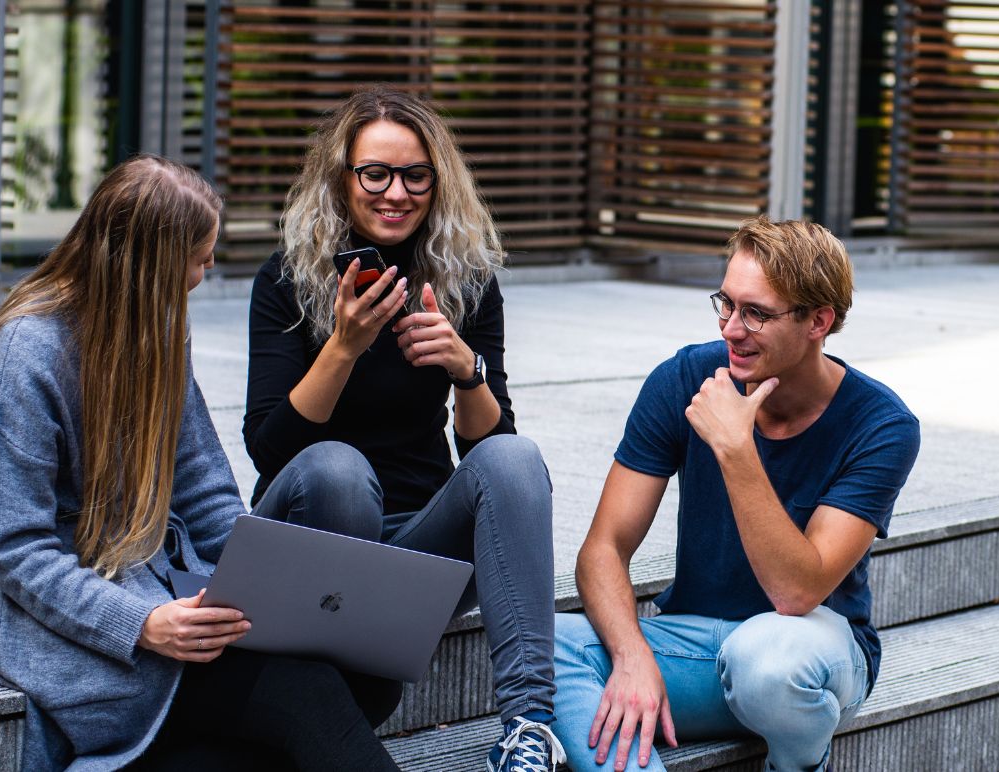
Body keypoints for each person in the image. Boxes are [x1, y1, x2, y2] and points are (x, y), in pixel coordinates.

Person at [0, 155, 400, 771]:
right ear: (149, 264)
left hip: (168, 591)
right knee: (304, 696)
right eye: (199, 256)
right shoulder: (22, 362)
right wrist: (143, 623)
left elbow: (202, 486)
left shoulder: (156, 327)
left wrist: (252, 585)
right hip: (77, 626)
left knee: (371, 682)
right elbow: (18, 552)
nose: (207, 271)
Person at [243, 85, 562, 772]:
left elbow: (488, 450)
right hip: (312, 534)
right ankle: (335, 695)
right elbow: (267, 449)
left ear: (437, 181)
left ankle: (529, 730)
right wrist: (344, 347)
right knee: (337, 469)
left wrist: (464, 370)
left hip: (416, 544)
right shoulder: (288, 282)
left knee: (516, 459)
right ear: (343, 180)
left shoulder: (464, 282)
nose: (396, 193)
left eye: (416, 175)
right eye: (375, 174)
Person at [552, 216, 921, 772]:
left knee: (767, 660)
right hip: (696, 642)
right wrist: (631, 657)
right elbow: (603, 548)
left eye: (757, 313)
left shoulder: (881, 424)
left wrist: (736, 449)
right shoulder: (685, 378)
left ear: (818, 321)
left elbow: (796, 593)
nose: (731, 329)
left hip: (810, 651)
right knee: (550, 643)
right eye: (725, 304)